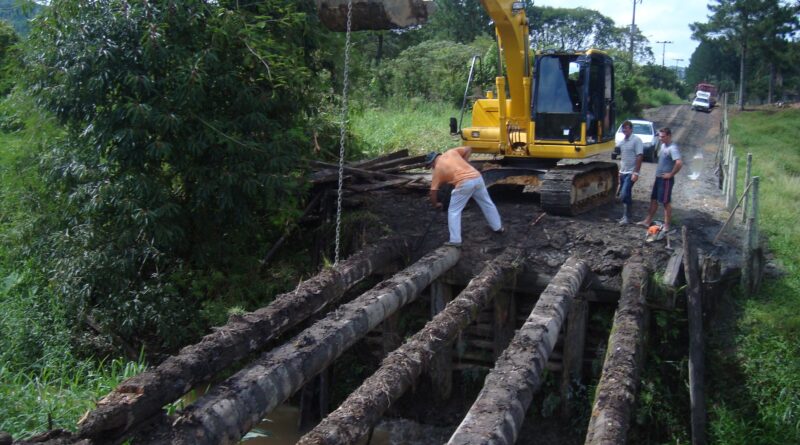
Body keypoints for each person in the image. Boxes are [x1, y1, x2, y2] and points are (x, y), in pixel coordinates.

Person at [426, 147, 503, 247]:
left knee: (454, 211)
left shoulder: (438, 169)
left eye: (431, 166)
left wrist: (435, 204)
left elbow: (433, 191)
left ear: (432, 162)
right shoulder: (451, 152)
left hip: (464, 183)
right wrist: (464, 162)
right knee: (487, 203)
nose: (432, 168)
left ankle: (455, 240)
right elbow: (468, 149)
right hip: (477, 177)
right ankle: (498, 227)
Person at [638, 127, 682, 233]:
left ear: (669, 136)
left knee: (665, 202)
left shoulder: (672, 148)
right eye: (659, 136)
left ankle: (667, 226)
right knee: (653, 199)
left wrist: (671, 174)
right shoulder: (662, 146)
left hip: (666, 180)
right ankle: (647, 221)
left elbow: (679, 163)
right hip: (659, 178)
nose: (660, 138)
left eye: (663, 137)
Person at [616, 120, 644, 225]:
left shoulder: (636, 140)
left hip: (631, 172)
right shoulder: (622, 141)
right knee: (627, 195)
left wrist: (636, 172)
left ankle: (627, 216)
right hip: (623, 172)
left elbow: (639, 156)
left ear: (631, 129)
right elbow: (622, 157)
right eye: (623, 128)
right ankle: (627, 217)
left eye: (626, 128)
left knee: (624, 194)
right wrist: (620, 171)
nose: (624, 130)